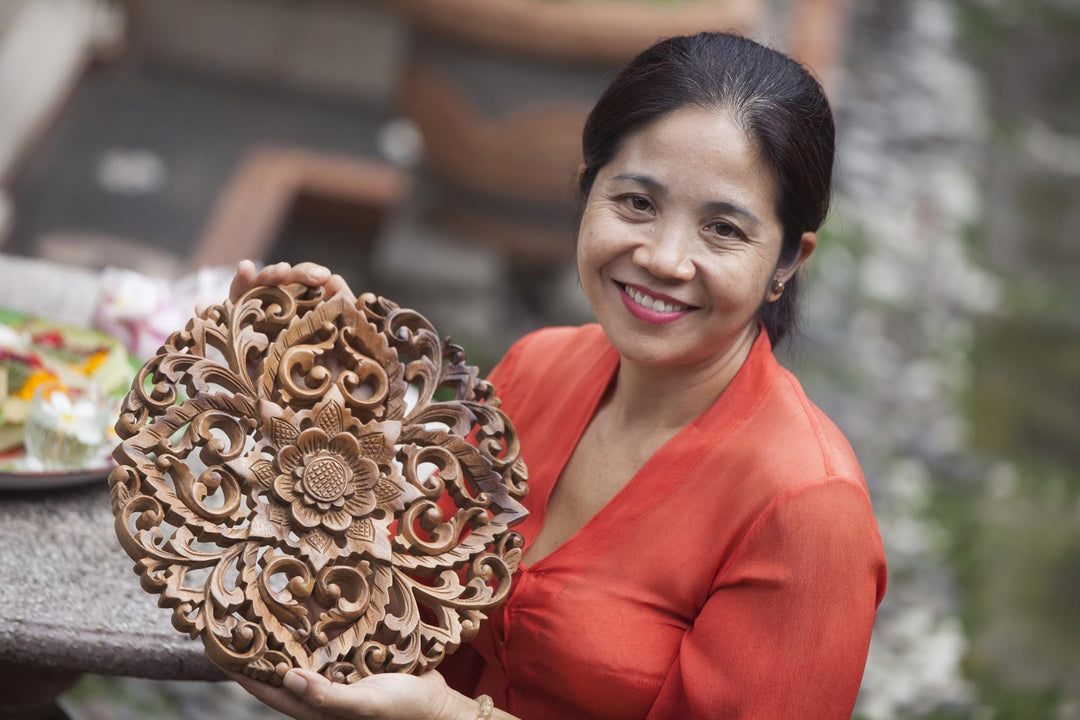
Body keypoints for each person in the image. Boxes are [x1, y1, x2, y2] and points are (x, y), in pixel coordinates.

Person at [232, 30, 887, 720]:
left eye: (723, 229)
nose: (664, 258)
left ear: (787, 262)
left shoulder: (808, 512)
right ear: (585, 189)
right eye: (637, 203)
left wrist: (451, 717)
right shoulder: (538, 368)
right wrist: (328, 413)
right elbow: (401, 599)